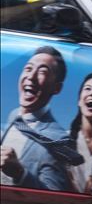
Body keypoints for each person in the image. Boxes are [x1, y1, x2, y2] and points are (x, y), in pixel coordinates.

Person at [0, 47, 82, 191]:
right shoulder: (14, 116)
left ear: (57, 88)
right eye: (28, 68)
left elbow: (55, 195)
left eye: (42, 71)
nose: (31, 77)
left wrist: (20, 173)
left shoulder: (59, 140)